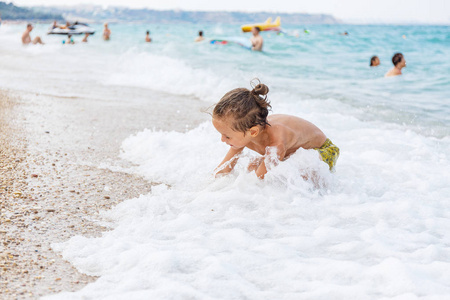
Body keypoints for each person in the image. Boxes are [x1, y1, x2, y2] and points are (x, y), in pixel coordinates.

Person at [212, 81, 339, 179]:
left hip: (324, 151)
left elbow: (260, 180)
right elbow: (224, 168)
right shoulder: (244, 133)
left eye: (227, 136)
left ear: (253, 132)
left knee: (292, 173)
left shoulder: (276, 142)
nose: (222, 139)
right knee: (252, 166)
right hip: (293, 151)